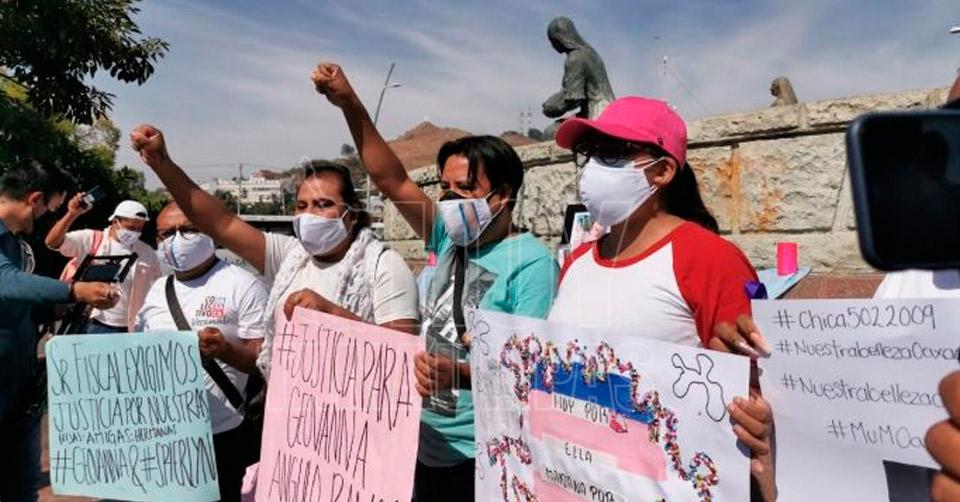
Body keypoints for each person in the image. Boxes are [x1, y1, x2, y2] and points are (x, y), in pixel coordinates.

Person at [311, 62, 559, 502]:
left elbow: (531, 372)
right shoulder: (446, 237)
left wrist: (458, 374)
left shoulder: (532, 263)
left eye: (465, 188)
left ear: (503, 196)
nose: (449, 199)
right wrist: (349, 103)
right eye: (445, 187)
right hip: (424, 443)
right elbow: (390, 178)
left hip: (483, 455)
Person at [549, 96, 777, 501]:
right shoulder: (578, 261)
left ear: (663, 171)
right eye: (591, 152)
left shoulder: (710, 259)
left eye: (613, 153)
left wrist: (755, 410)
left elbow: (757, 385)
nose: (594, 167)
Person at [128, 125, 420, 382]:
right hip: (289, 415)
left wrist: (332, 315)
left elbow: (401, 361)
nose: (309, 215)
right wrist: (162, 163)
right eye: (301, 206)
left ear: (352, 215)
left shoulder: (383, 266)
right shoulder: (290, 256)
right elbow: (221, 222)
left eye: (323, 205)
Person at [0, 161, 117, 502]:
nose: (46, 217)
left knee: (22, 484)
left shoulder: (17, 244)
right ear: (34, 198)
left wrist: (57, 309)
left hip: (20, 382)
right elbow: (6, 282)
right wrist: (74, 290)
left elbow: (17, 303)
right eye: (49, 209)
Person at [135, 202, 267, 501]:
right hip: (165, 434)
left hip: (221, 434)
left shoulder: (243, 285)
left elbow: (264, 362)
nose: (176, 240)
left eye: (188, 229)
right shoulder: (158, 289)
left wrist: (224, 350)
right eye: (166, 234)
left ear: (209, 232)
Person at [45, 198, 162, 333]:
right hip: (92, 322)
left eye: (139, 229)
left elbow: (156, 288)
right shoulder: (91, 239)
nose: (135, 233)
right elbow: (52, 242)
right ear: (115, 221)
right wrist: (71, 214)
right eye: (131, 228)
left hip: (130, 327)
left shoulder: (146, 252)